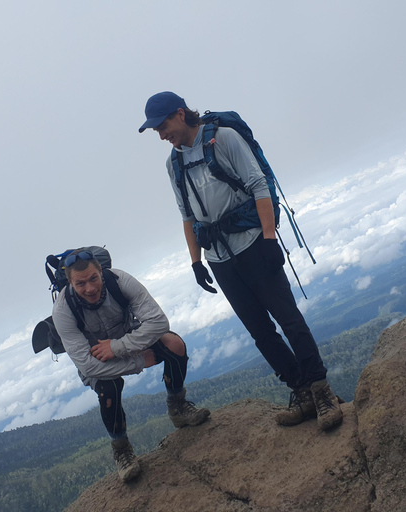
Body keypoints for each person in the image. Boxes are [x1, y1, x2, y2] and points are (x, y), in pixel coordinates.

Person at [138, 91, 342, 431]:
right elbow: (187, 217)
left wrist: (269, 239)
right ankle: (302, 392)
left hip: (253, 244)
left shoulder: (223, 138)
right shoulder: (173, 164)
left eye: (162, 126)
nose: (161, 135)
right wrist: (196, 262)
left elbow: (258, 185)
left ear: (179, 113)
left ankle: (322, 392)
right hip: (219, 257)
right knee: (260, 332)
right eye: (156, 131)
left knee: (288, 320)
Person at [52, 249, 210, 482]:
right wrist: (138, 361)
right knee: (108, 388)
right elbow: (87, 367)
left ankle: (178, 407)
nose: (90, 288)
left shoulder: (120, 281)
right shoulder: (63, 310)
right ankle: (121, 449)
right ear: (70, 283)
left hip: (127, 341)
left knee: (174, 345)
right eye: (80, 283)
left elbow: (158, 322)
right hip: (97, 359)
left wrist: (117, 348)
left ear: (101, 273)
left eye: (93, 278)